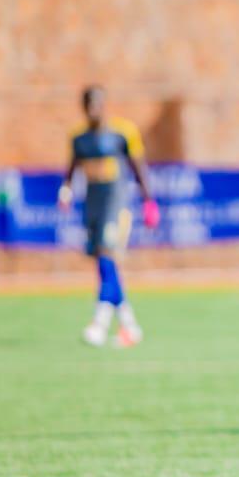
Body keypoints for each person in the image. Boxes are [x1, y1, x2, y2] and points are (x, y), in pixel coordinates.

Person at [59, 85, 160, 348]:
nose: (94, 109)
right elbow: (72, 167)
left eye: (98, 103)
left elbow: (138, 167)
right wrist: (66, 190)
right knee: (105, 264)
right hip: (93, 202)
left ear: (104, 105)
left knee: (106, 257)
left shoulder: (122, 132)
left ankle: (99, 323)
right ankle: (129, 325)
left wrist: (148, 201)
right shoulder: (79, 137)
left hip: (116, 204)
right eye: (89, 104)